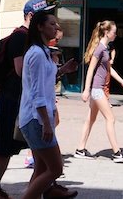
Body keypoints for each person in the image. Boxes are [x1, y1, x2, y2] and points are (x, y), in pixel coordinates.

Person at [0, 0, 48, 199]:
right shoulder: (21, 37)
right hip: (12, 100)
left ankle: (42, 187)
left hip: (20, 100)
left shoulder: (29, 38)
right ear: (31, 16)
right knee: (5, 146)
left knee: (36, 146)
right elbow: (21, 71)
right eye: (43, 15)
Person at [19, 11, 79, 199]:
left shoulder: (43, 52)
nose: (56, 27)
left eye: (56, 24)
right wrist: (46, 122)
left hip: (38, 118)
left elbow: (44, 80)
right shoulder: (37, 53)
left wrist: (62, 70)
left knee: (41, 168)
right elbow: (37, 92)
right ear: (40, 27)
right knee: (55, 169)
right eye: (52, 24)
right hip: (36, 119)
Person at [75, 20, 123, 162]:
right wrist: (86, 90)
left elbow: (109, 69)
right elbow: (90, 70)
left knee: (90, 119)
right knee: (110, 119)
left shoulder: (104, 48)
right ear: (107, 33)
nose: (115, 34)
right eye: (114, 32)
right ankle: (117, 153)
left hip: (97, 90)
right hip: (97, 89)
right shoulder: (100, 49)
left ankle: (80, 149)